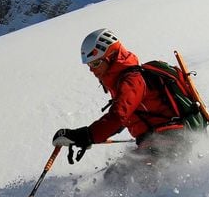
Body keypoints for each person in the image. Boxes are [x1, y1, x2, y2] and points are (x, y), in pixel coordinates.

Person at [52, 28, 197, 164]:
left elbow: (118, 116)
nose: (91, 70)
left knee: (118, 178)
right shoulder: (121, 81)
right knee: (117, 176)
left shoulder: (132, 80)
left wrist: (84, 136)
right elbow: (127, 116)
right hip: (161, 141)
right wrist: (93, 136)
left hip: (169, 141)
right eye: (89, 65)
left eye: (95, 63)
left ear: (111, 57)